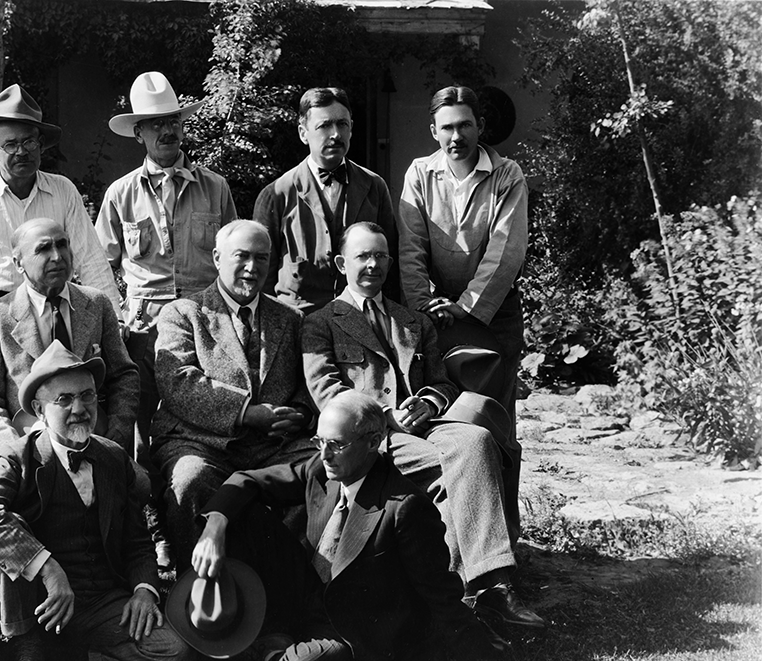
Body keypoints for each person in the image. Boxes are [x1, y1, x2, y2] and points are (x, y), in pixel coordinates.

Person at [191, 392, 543, 661]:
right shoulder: (323, 467)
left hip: (354, 628)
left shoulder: (404, 506)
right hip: (311, 592)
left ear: (373, 441)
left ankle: (268, 643)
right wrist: (215, 526)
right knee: (238, 512)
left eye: (337, 445)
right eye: (319, 442)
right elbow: (245, 480)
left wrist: (487, 659)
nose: (325, 454)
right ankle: (271, 632)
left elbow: (440, 592)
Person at [302, 222, 544, 630]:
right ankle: (477, 593)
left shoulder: (412, 320)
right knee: (460, 466)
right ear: (343, 263)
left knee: (477, 439)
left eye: (380, 256)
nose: (373, 265)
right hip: (371, 438)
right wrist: (384, 416)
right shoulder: (321, 323)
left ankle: (485, 586)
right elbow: (327, 393)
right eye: (363, 256)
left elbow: (442, 382)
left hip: (424, 426)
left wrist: (429, 403)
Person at [0, 342, 193, 661]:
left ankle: (70, 653)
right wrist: (50, 570)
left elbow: (137, 540)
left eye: (87, 396)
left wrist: (145, 591)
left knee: (173, 651)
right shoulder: (15, 457)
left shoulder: (113, 458)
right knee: (7, 528)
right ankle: (29, 644)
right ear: (39, 410)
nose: (79, 409)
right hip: (37, 599)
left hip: (100, 600)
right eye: (63, 400)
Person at [398, 85, 529, 532]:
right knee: (445, 425)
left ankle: (505, 535)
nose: (457, 136)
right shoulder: (419, 175)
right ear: (434, 131)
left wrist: (467, 306)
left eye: (466, 125)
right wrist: (422, 305)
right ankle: (452, 534)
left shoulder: (507, 175)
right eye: (448, 127)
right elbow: (410, 248)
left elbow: (505, 252)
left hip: (491, 317)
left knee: (495, 425)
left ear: (480, 128)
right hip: (434, 318)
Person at [152, 220, 316, 566]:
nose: (251, 268)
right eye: (241, 256)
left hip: (274, 446)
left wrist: (298, 414)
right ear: (216, 257)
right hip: (201, 442)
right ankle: (199, 595)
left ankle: (287, 586)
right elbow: (178, 381)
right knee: (190, 479)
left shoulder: (290, 318)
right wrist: (247, 412)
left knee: (321, 470)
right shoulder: (184, 313)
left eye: (261, 258)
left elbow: (308, 382)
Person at [96, 71, 237, 460]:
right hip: (145, 326)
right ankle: (147, 508)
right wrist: (116, 321)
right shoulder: (121, 193)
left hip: (205, 321)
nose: (167, 131)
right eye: (156, 124)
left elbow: (233, 261)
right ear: (139, 133)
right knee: (141, 418)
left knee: (205, 412)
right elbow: (99, 265)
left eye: (174, 121)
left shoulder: (215, 187)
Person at [0, 84, 121, 316]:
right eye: (10, 144)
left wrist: (114, 319)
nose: (22, 152)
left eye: (29, 142)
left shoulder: (63, 191)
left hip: (50, 311)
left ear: (40, 144)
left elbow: (90, 260)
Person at [0, 218, 138, 459]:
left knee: (138, 486)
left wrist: (116, 433)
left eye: (62, 245)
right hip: (22, 438)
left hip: (92, 435)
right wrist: (13, 449)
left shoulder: (97, 304)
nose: (58, 256)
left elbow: (124, 376)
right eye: (43, 249)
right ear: (18, 263)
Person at [254, 87, 398, 315]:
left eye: (342, 124)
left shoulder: (374, 187)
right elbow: (262, 275)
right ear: (303, 133)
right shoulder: (277, 193)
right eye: (324, 126)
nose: (335, 134)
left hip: (360, 320)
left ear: (351, 128)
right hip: (298, 321)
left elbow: (391, 263)